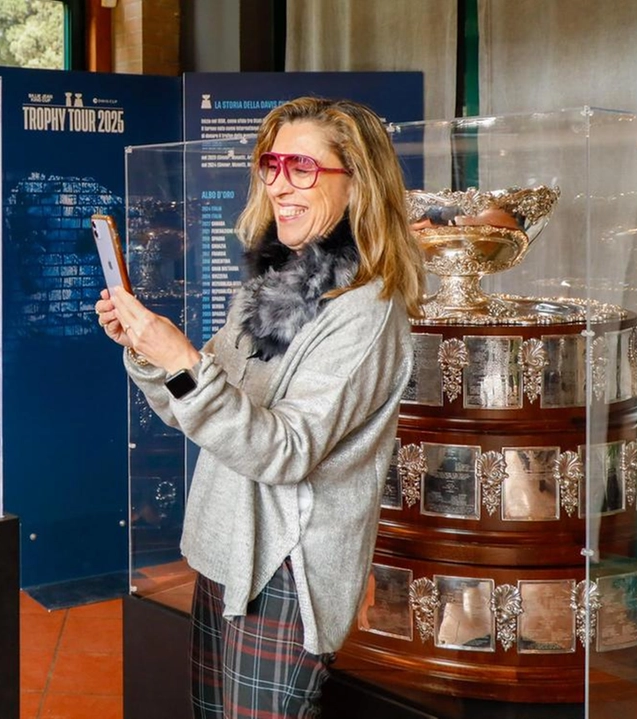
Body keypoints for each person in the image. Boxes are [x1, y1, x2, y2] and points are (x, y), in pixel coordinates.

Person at [95, 96, 423, 718]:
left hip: (284, 572)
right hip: (225, 551)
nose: (278, 185)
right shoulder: (265, 289)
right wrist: (149, 356)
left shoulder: (367, 313)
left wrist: (184, 363)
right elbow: (194, 412)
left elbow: (285, 451)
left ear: (359, 184)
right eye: (271, 165)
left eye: (303, 167)